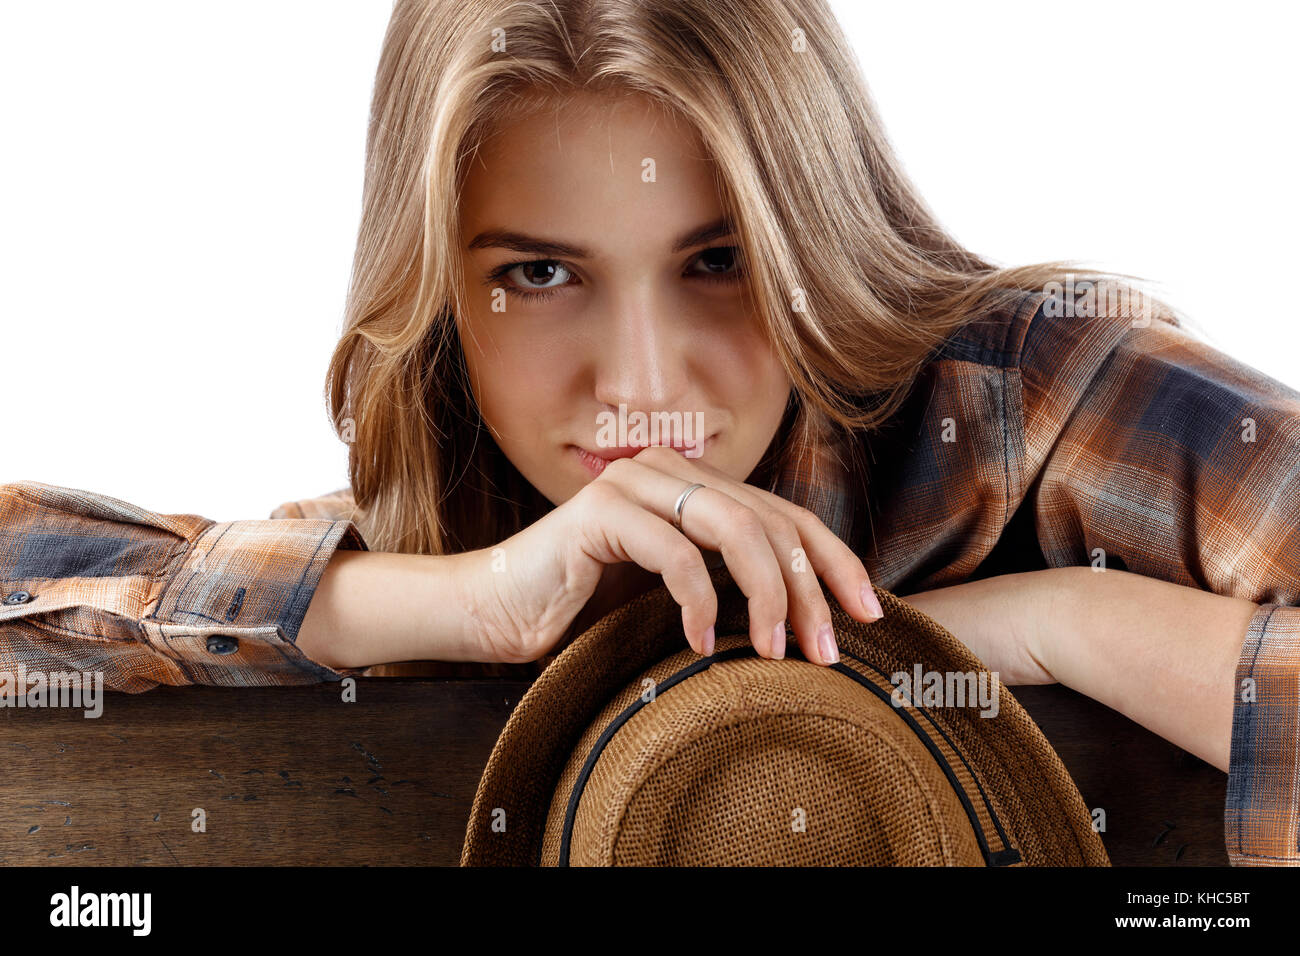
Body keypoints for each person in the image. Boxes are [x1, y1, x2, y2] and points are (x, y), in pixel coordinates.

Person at [2, 0, 1296, 866]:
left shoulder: (1022, 398)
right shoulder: (448, 541)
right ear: (440, 302)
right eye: (542, 276)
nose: (641, 383)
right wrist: (456, 610)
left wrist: (1032, 626)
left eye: (717, 259)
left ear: (813, 236)